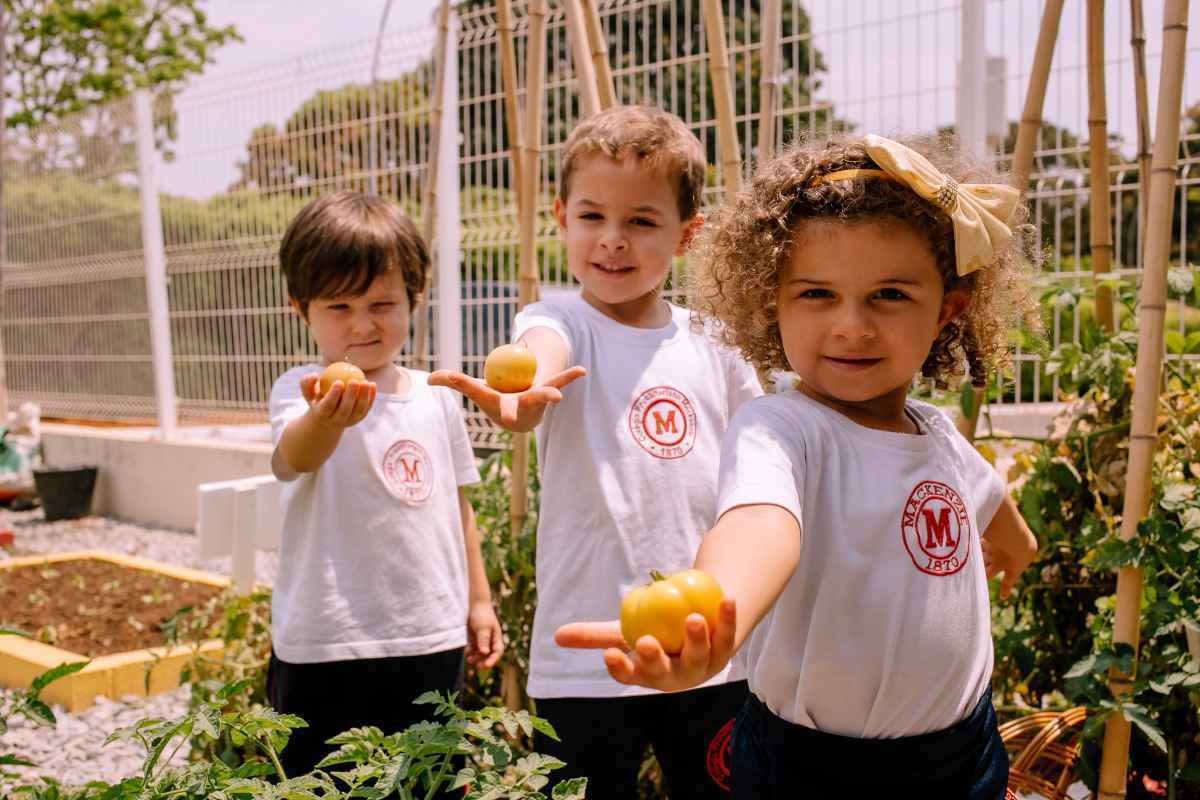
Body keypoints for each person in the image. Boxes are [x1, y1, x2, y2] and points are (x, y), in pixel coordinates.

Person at [556, 134, 1042, 799]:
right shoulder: (781, 430)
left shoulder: (935, 434)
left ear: (947, 312)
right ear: (771, 303)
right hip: (817, 771)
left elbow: (998, 515)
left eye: (890, 296)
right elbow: (760, 527)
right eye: (816, 294)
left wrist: (1016, 550)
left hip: (966, 753)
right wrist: (719, 608)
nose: (851, 325)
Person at [429, 105, 763, 796]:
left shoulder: (718, 342)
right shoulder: (556, 319)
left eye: (641, 221)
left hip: (706, 647)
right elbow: (539, 359)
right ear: (561, 217)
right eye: (592, 217)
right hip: (586, 650)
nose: (613, 240)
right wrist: (523, 389)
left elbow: (765, 457)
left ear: (687, 234)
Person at [267, 191, 503, 778]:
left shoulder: (436, 396)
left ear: (414, 300)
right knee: (319, 784)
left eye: (382, 303)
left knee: (428, 781)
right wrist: (327, 418)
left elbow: (457, 507)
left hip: (428, 636)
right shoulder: (302, 389)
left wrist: (478, 601)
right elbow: (294, 457)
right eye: (338, 307)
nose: (363, 325)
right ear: (302, 308)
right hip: (325, 642)